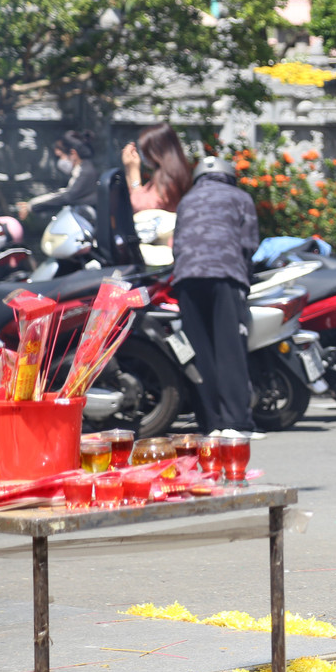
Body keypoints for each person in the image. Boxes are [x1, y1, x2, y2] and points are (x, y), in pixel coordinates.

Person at [172, 156, 260, 437]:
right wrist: (246, 275)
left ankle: (211, 423)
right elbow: (248, 243)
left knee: (200, 352)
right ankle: (236, 422)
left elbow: (178, 244)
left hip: (186, 279)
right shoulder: (240, 197)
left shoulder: (186, 200)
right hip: (225, 275)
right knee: (229, 349)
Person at [17, 131, 98, 220]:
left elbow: (67, 197)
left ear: (73, 154)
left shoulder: (84, 172)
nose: (60, 162)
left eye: (61, 157)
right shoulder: (83, 170)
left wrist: (32, 206)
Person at [123, 123, 193, 213]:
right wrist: (129, 168)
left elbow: (141, 206)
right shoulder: (173, 173)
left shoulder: (169, 179)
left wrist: (133, 171)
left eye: (144, 150)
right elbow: (138, 195)